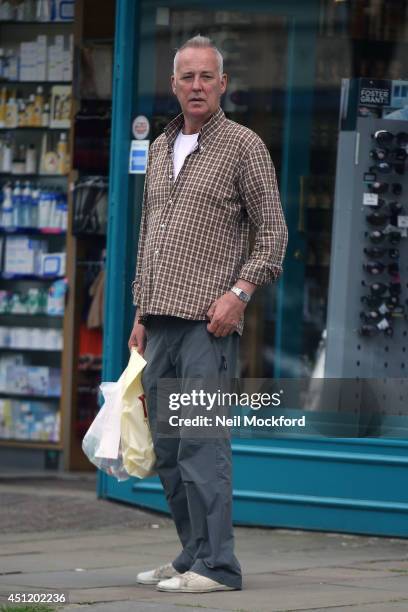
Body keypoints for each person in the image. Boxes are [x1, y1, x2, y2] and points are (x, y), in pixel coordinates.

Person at [128, 35, 288, 594]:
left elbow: (273, 235)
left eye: (207, 77)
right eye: (187, 77)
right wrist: (140, 310)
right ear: (173, 85)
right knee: (168, 452)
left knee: (201, 445)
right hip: (159, 322)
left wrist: (239, 294)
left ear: (223, 86)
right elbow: (149, 236)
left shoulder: (244, 146)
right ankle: (192, 555)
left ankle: (219, 566)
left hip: (207, 324)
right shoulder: (158, 148)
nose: (196, 86)